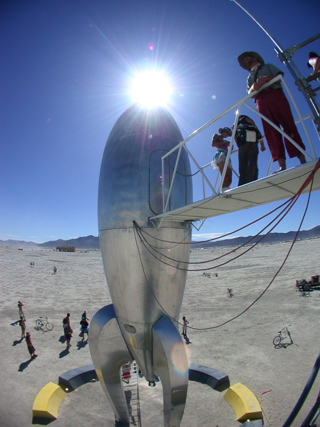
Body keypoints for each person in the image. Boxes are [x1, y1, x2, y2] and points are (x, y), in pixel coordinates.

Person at [238, 51, 306, 173]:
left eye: (248, 58)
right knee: (271, 131)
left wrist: (266, 79)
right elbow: (249, 93)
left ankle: (302, 160)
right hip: (261, 101)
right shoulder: (249, 78)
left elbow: (279, 78)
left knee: (288, 125)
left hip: (275, 95)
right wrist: (254, 86)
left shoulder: (267, 67)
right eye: (245, 60)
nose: (246, 61)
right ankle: (282, 166)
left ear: (255, 58)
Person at [233, 114, 266, 185]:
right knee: (253, 163)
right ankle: (253, 181)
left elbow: (234, 134)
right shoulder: (248, 120)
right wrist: (262, 144)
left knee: (242, 165)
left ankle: (242, 183)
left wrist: (239, 145)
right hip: (253, 143)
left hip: (242, 144)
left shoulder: (236, 124)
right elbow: (258, 132)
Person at [211, 127, 233, 191]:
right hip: (220, 154)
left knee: (229, 178)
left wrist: (230, 146)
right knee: (224, 174)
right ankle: (223, 191)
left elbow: (231, 147)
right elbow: (213, 144)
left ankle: (225, 189)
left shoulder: (225, 141)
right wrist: (224, 142)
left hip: (226, 155)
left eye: (228, 134)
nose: (227, 135)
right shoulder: (216, 136)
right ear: (223, 132)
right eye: (227, 133)